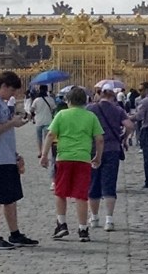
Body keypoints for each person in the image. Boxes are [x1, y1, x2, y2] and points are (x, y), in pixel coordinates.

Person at [0, 71, 37, 250]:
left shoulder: (1, 103)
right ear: (3, 86)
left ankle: (15, 234)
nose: (13, 95)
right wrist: (12, 123)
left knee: (10, 198)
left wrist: (15, 154)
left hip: (5, 157)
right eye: (12, 90)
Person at [41, 87, 104, 242]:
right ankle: (83, 229)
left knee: (60, 192)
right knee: (81, 195)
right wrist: (98, 156)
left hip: (64, 158)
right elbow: (100, 139)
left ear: (68, 101)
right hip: (83, 159)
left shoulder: (61, 114)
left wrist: (44, 155)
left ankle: (61, 224)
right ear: (85, 101)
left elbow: (50, 135)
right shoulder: (91, 116)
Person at [87, 87, 133, 232]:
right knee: (109, 183)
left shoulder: (90, 108)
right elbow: (130, 125)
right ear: (113, 98)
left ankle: (94, 218)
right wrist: (124, 138)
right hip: (112, 149)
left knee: (93, 184)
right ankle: (109, 220)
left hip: (93, 149)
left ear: (100, 96)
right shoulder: (117, 110)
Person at [30, 84, 56, 159]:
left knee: (39, 138)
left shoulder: (36, 100)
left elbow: (31, 109)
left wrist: (33, 115)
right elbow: (54, 108)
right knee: (46, 138)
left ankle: (40, 152)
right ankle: (45, 153)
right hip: (48, 120)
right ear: (47, 90)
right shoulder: (50, 99)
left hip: (38, 121)